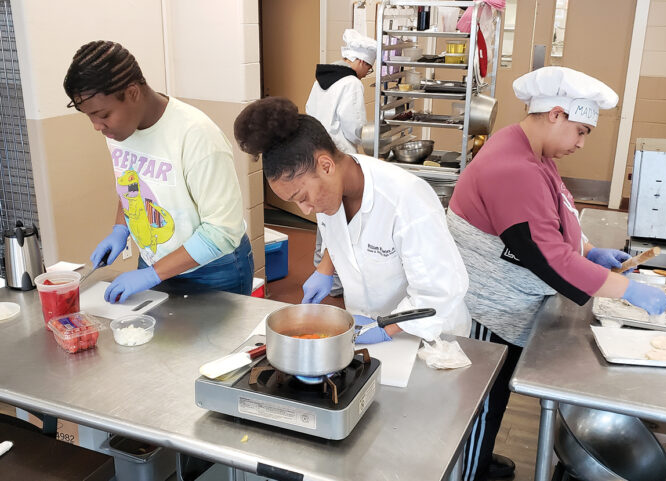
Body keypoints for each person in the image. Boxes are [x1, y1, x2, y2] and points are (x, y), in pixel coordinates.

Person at [446, 66, 666, 481]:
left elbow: (554, 214)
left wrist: (588, 250)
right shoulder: (513, 166)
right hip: (485, 310)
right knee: (478, 401)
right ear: (555, 114)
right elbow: (547, 258)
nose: (582, 143)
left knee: (494, 398)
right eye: (581, 130)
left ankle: (481, 453)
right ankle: (469, 469)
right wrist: (626, 290)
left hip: (508, 304)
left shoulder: (531, 150)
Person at [234, 96, 470, 344]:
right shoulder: (332, 192)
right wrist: (324, 269)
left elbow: (440, 290)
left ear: (325, 166)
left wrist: (384, 329)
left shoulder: (406, 199)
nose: (305, 210)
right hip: (368, 325)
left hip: (429, 339)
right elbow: (343, 237)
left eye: (302, 197)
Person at [63, 41, 253, 302]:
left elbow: (222, 231)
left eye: (103, 114)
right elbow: (132, 185)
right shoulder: (119, 131)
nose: (97, 126)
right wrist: (121, 229)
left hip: (212, 271)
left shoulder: (196, 135)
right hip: (154, 262)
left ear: (132, 93)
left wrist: (153, 274)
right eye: (90, 117)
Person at [306, 29, 378, 297]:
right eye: (368, 68)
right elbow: (353, 127)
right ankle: (336, 284)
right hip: (339, 158)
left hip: (316, 156)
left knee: (323, 217)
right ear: (359, 61)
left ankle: (320, 270)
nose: (367, 73)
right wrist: (369, 135)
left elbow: (310, 113)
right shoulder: (351, 84)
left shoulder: (321, 80)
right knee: (342, 218)